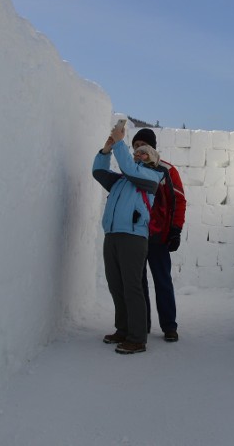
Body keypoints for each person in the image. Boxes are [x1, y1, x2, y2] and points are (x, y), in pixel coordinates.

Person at [92, 123, 163, 355]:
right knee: (116, 285)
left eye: (144, 151)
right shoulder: (123, 180)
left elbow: (130, 168)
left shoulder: (151, 176)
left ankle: (137, 338)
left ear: (152, 158)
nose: (139, 153)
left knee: (132, 287)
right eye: (136, 151)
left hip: (133, 237)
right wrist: (106, 150)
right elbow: (99, 173)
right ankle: (122, 330)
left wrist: (120, 142)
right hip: (112, 235)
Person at [131, 128, 186, 343]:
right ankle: (141, 325)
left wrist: (175, 230)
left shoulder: (166, 170)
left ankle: (169, 326)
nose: (139, 149)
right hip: (135, 236)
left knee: (162, 281)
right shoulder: (131, 169)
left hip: (158, 237)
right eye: (135, 145)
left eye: (143, 145)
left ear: (152, 147)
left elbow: (178, 200)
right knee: (139, 282)